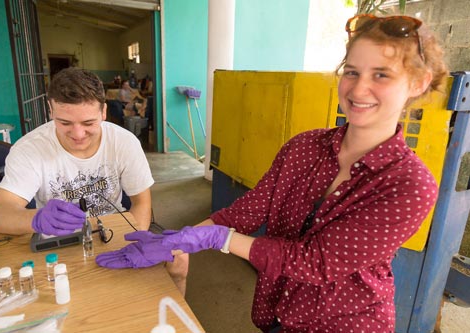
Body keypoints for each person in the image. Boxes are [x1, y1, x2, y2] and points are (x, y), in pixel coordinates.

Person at [95, 14, 448, 332]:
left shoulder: (410, 185)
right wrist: (178, 239)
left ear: (418, 84)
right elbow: (247, 212)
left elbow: (317, 263)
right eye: (352, 71)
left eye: (381, 75)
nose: (358, 89)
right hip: (278, 310)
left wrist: (219, 239)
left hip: (345, 321)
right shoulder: (305, 147)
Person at [0, 67, 188, 295]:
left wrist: (134, 240)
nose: (78, 134)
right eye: (64, 123)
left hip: (115, 230)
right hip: (62, 241)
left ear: (103, 111)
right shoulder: (29, 149)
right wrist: (36, 218)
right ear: (50, 109)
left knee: (178, 261)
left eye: (88, 123)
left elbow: (141, 203)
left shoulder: (124, 143)